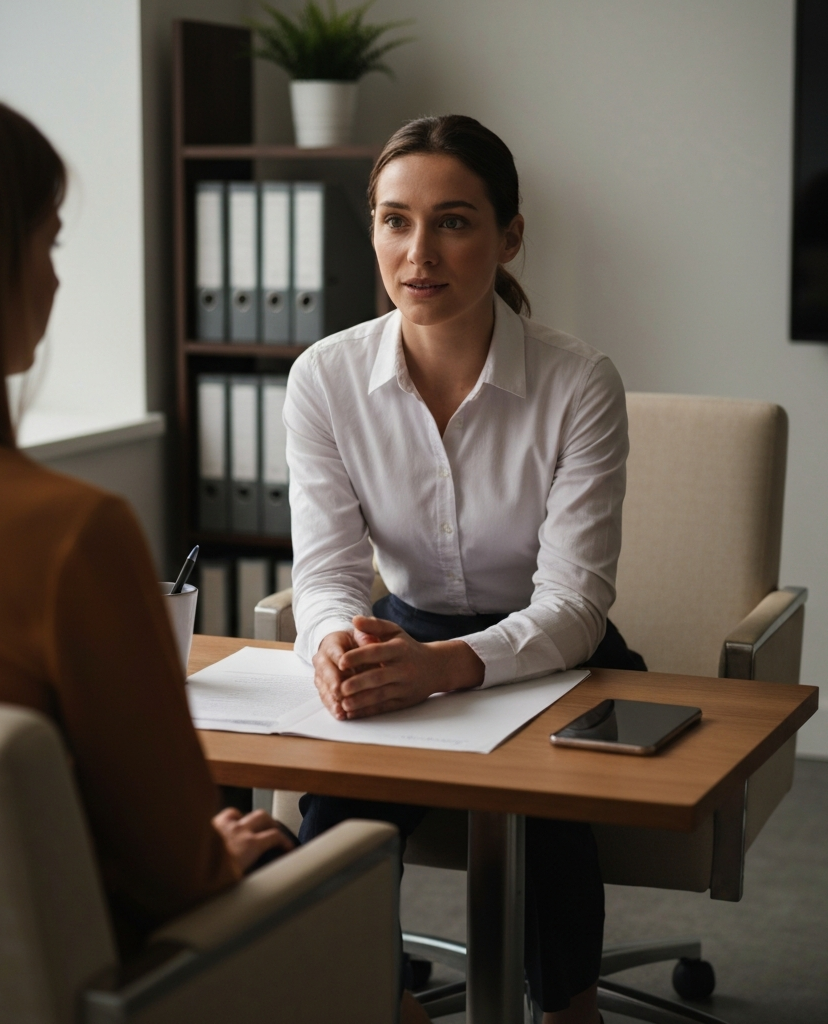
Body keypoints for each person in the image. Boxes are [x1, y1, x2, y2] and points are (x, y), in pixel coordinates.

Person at [285, 115, 646, 1024]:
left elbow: (574, 604)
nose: (419, 253)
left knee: (548, 799)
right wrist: (332, 644)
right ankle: (373, 999)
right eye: (394, 221)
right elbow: (326, 575)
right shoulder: (323, 379)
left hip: (559, 654)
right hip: (400, 632)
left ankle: (567, 1006)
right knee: (333, 822)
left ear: (509, 235)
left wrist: (444, 666)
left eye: (453, 221)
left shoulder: (578, 381)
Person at [0, 82, 294, 959]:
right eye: (46, 242)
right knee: (311, 869)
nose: (54, 277)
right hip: (82, 976)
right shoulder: (61, 535)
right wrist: (230, 851)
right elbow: (180, 872)